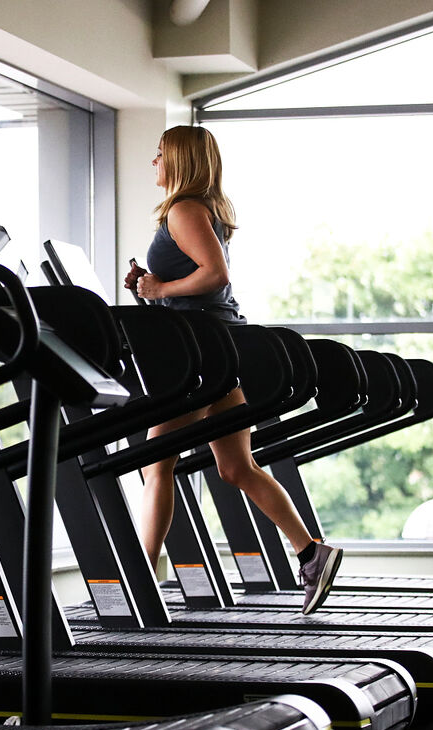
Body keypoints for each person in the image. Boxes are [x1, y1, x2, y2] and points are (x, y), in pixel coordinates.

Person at [123, 125, 342, 615]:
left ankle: (140, 580)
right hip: (218, 346)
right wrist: (153, 283)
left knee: (156, 464)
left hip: (201, 352)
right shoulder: (204, 209)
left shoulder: (184, 209)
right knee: (235, 466)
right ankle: (312, 553)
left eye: (159, 155)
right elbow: (200, 275)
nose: (153, 163)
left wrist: (158, 291)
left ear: (179, 160)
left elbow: (215, 275)